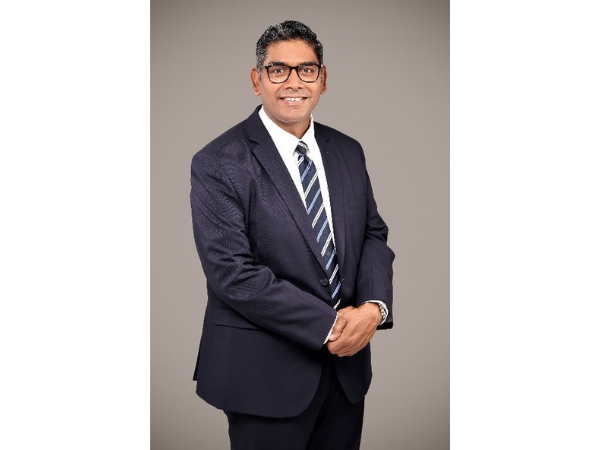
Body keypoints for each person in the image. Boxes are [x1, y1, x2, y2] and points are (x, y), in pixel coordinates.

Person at [190, 20, 395, 450]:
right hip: (263, 376)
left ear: (323, 79)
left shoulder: (348, 150)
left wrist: (373, 309)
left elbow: (372, 235)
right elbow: (231, 273)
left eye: (306, 69)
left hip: (346, 372)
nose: (293, 82)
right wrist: (333, 325)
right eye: (278, 70)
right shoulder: (218, 161)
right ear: (257, 80)